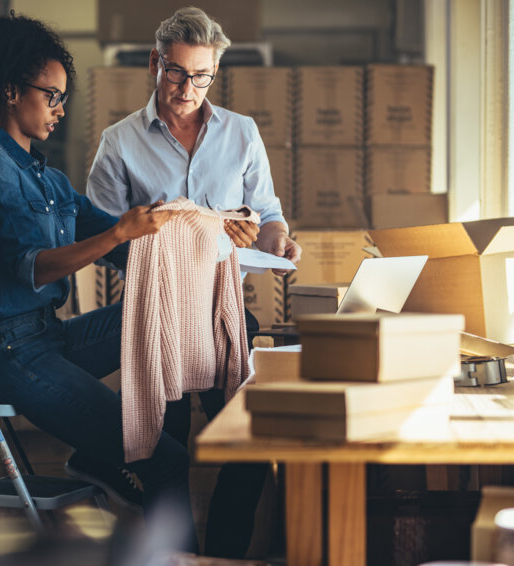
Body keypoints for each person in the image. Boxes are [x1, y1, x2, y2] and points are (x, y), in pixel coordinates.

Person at [0, 13, 197, 552]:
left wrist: (187, 243)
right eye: (51, 96)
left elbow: (122, 249)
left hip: (50, 337)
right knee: (166, 460)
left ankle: (97, 455)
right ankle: (177, 551)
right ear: (12, 92)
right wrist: (117, 232)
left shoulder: (50, 178)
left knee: (173, 314)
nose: (59, 111)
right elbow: (36, 265)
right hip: (11, 354)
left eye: (63, 99)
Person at [86, 7, 302, 559]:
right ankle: (177, 557)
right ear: (156, 63)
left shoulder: (242, 133)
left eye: (202, 76)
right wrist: (160, 238)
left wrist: (275, 240)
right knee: (166, 450)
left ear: (215, 73)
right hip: (157, 315)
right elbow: (100, 237)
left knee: (251, 435)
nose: (188, 88)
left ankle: (224, 554)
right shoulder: (119, 142)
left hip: (222, 309)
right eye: (178, 73)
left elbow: (270, 214)